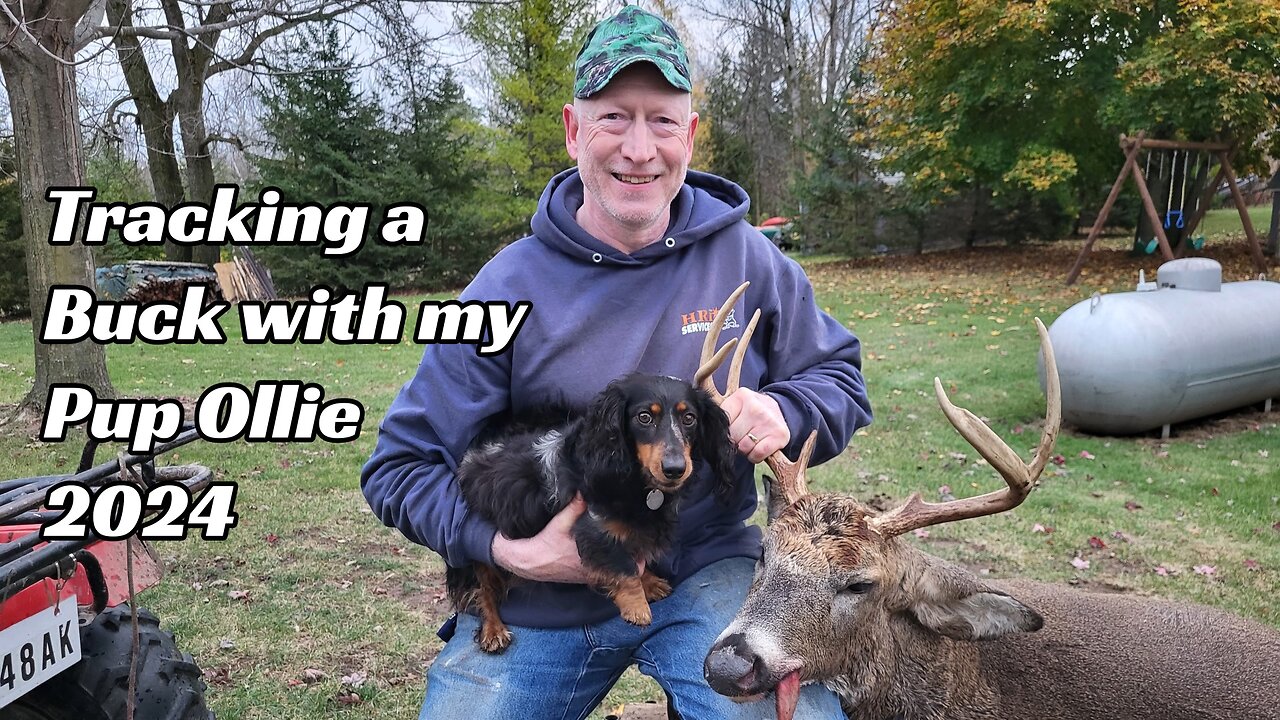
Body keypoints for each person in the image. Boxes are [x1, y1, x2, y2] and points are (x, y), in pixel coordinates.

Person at [361, 6, 872, 718]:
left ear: (689, 135)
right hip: (546, 595)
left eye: (661, 120)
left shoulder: (749, 258)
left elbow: (841, 377)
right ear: (574, 130)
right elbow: (398, 467)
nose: (639, 148)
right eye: (613, 118)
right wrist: (507, 551)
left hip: (705, 573)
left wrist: (785, 410)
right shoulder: (505, 289)